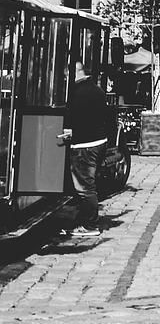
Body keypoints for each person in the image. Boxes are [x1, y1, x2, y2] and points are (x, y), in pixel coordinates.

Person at [60, 61, 113, 237]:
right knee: (89, 185)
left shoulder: (77, 94)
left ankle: (90, 225)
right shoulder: (97, 90)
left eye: (67, 75)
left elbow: (79, 121)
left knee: (85, 188)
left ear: (74, 73)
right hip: (98, 142)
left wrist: (70, 133)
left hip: (85, 145)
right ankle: (84, 220)